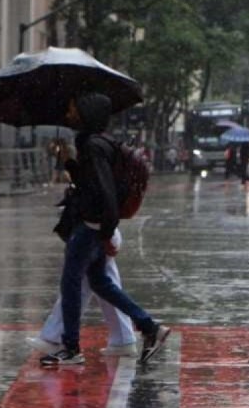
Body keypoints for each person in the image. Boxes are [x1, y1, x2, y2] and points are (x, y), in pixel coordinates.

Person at [41, 92, 169, 367]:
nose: (70, 113)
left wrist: (107, 231)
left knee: (72, 284)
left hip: (91, 228)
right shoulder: (99, 143)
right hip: (98, 227)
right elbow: (91, 183)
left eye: (75, 107)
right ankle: (149, 327)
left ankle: (71, 348)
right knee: (100, 283)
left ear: (87, 113)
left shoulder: (93, 145)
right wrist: (70, 163)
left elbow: (105, 191)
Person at [28, 227, 138, 358]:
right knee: (100, 285)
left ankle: (54, 338)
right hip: (97, 231)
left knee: (82, 286)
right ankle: (125, 338)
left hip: (94, 231)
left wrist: (106, 236)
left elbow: (103, 209)